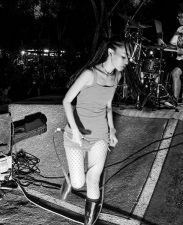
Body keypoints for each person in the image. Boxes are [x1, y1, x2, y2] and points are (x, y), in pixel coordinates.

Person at [61, 36, 131, 225]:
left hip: (100, 134)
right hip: (76, 133)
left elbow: (108, 106)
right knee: (78, 184)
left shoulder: (117, 75)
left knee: (93, 178)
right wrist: (75, 130)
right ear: (110, 52)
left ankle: (88, 223)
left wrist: (112, 130)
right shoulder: (89, 74)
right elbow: (67, 101)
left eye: (128, 58)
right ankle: (70, 178)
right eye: (124, 57)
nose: (127, 62)